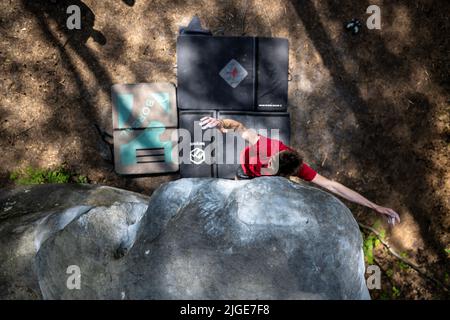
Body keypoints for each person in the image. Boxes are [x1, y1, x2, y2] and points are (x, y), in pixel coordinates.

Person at [199, 116, 401, 226]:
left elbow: (334, 186)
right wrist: (220, 122)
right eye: (268, 163)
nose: (267, 165)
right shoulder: (266, 145)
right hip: (244, 172)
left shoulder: (297, 170)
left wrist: (375, 206)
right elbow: (238, 127)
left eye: (271, 169)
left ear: (284, 174)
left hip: (262, 181)